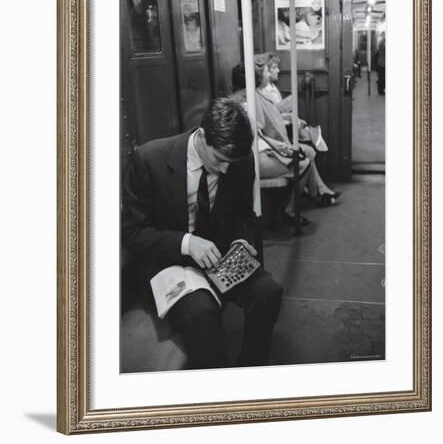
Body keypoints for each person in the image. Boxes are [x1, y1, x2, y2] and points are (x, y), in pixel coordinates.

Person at [122, 98, 283, 370]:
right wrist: (186, 243)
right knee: (201, 312)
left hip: (220, 254)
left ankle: (252, 368)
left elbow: (243, 215)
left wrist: (242, 240)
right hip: (171, 259)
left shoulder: (239, 163)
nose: (225, 170)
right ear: (203, 136)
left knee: (268, 292)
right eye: (219, 159)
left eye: (231, 162)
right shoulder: (149, 159)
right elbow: (132, 232)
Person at [231, 60, 340, 213]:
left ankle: (318, 193)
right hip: (252, 159)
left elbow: (259, 133)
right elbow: (257, 135)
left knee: (304, 154)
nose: (269, 74)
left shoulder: (247, 99)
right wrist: (281, 147)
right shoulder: (247, 102)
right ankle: (291, 209)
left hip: (260, 151)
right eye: (266, 72)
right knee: (302, 162)